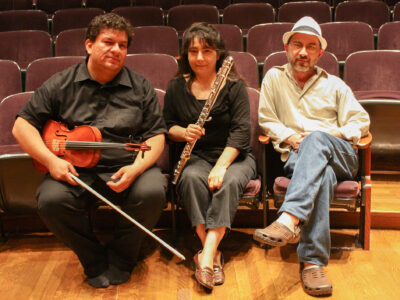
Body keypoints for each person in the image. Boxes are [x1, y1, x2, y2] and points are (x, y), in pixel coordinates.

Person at [12, 13, 167, 289]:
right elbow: (22, 126)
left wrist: (136, 169)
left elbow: (155, 136)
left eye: (122, 45)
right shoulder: (61, 83)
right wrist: (50, 161)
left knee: (153, 192)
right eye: (108, 42)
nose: (116, 50)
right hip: (75, 170)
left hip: (126, 167)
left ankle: (121, 258)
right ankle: (93, 258)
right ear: (88, 45)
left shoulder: (140, 86)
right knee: (49, 200)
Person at [254, 16, 370, 297]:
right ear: (287, 48)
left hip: (341, 156)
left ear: (320, 53)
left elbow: (361, 121)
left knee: (318, 139)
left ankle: (290, 218)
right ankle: (312, 263)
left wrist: (330, 136)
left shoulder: (335, 86)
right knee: (323, 175)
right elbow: (267, 119)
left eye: (310, 46)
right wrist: (292, 137)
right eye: (297, 45)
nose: (303, 52)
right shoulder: (273, 78)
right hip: (296, 155)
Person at [163, 23, 256, 291]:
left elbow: (241, 132)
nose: (200, 58)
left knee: (227, 182)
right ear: (186, 56)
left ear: (218, 54)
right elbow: (167, 126)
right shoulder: (176, 87)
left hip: (234, 156)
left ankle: (205, 255)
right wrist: (184, 132)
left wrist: (221, 166)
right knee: (191, 178)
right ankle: (211, 253)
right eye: (193, 52)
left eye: (206, 51)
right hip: (196, 156)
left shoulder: (233, 86)